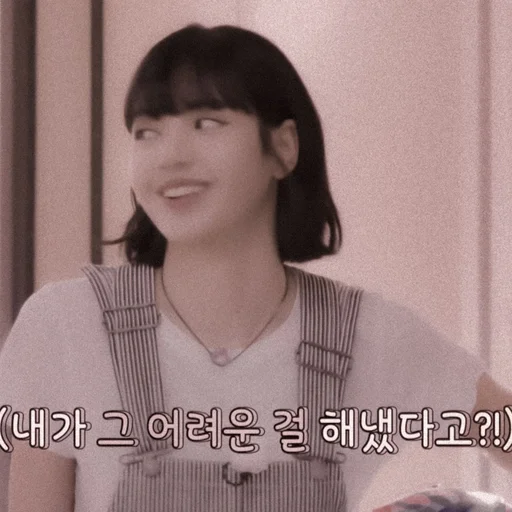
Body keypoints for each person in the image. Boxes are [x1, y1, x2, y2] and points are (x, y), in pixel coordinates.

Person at [0, 23, 510, 512]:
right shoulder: (65, 326)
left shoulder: (368, 337)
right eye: (146, 132)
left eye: (206, 123)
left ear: (283, 148)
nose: (169, 157)